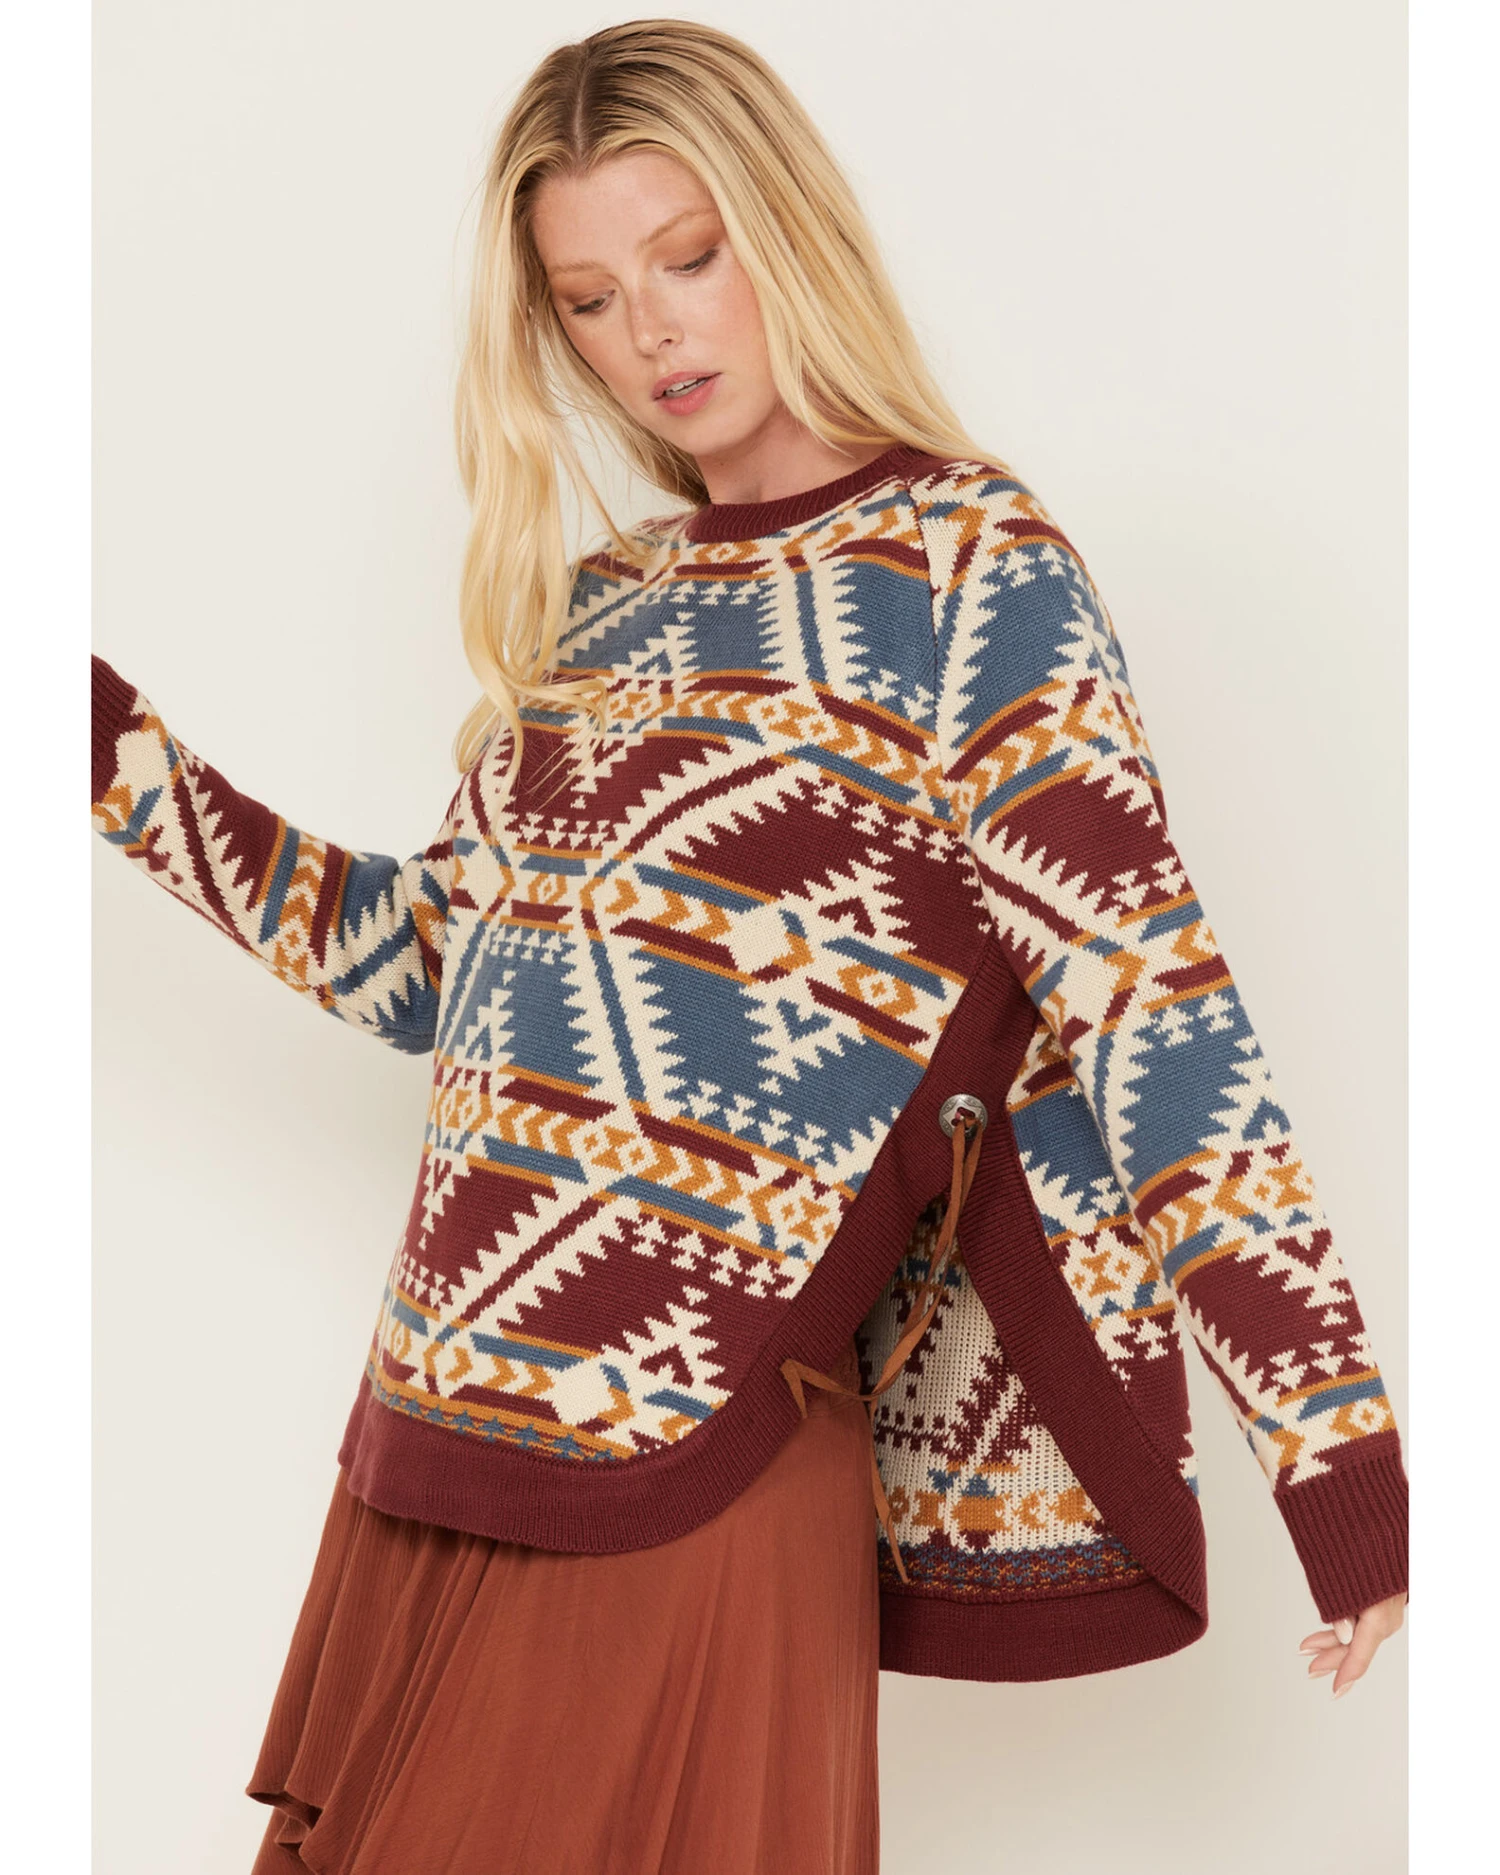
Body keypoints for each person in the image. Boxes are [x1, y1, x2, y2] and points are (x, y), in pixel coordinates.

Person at [90, 18, 1408, 1875]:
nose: (654, 332)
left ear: (785, 228)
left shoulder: (970, 570)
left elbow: (1151, 1009)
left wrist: (1336, 1455)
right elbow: (420, 966)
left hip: (690, 1461)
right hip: (436, 1435)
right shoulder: (605, 607)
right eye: (590, 298)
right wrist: (101, 746)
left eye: (690, 256)